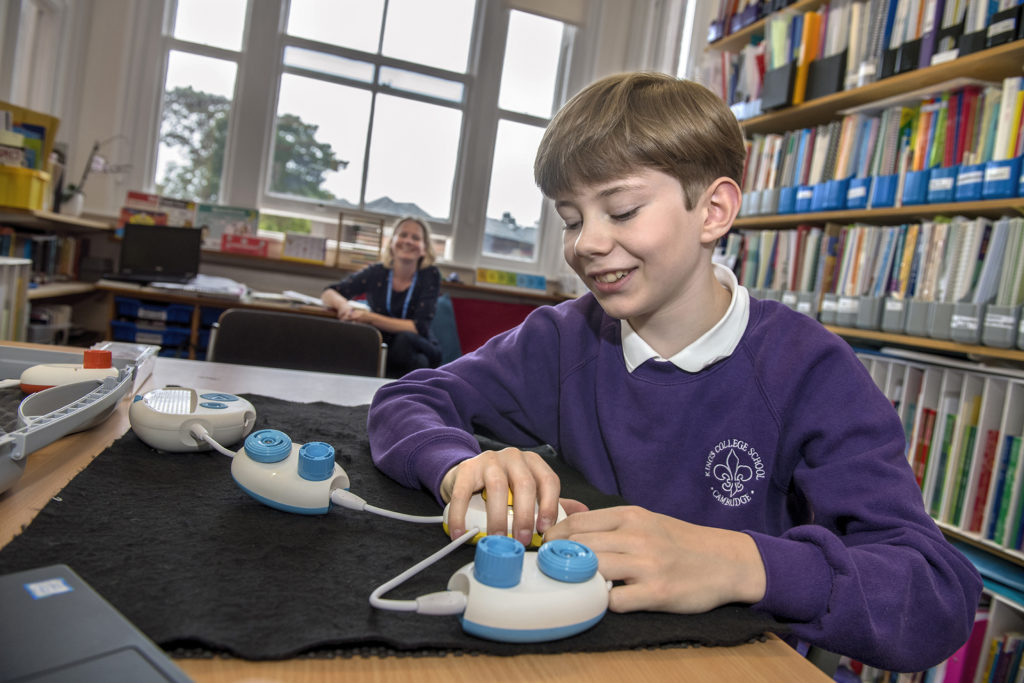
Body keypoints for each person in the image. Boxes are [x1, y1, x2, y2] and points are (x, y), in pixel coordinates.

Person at [365, 72, 982, 672]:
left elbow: (932, 593)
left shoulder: (809, 369)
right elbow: (407, 398)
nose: (586, 244)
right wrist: (459, 464)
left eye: (623, 209)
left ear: (713, 210)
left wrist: (740, 563)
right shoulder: (562, 337)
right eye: (572, 219)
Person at [322, 215, 442, 378]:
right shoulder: (377, 272)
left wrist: (370, 318)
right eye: (402, 235)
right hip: (382, 345)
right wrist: (344, 306)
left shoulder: (430, 274)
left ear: (424, 248)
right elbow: (329, 292)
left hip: (419, 345)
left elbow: (417, 327)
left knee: (407, 344)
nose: (407, 241)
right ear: (392, 242)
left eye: (415, 238)